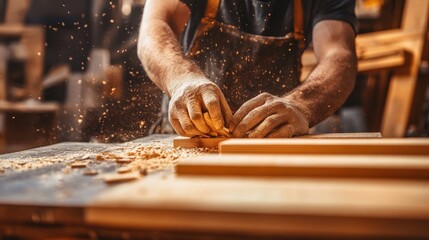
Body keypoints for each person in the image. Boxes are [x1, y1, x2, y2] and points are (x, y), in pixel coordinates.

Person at [138, 0, 358, 138]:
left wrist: (301, 105)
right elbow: (154, 27)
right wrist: (183, 80)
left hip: (272, 144)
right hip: (188, 140)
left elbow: (339, 56)